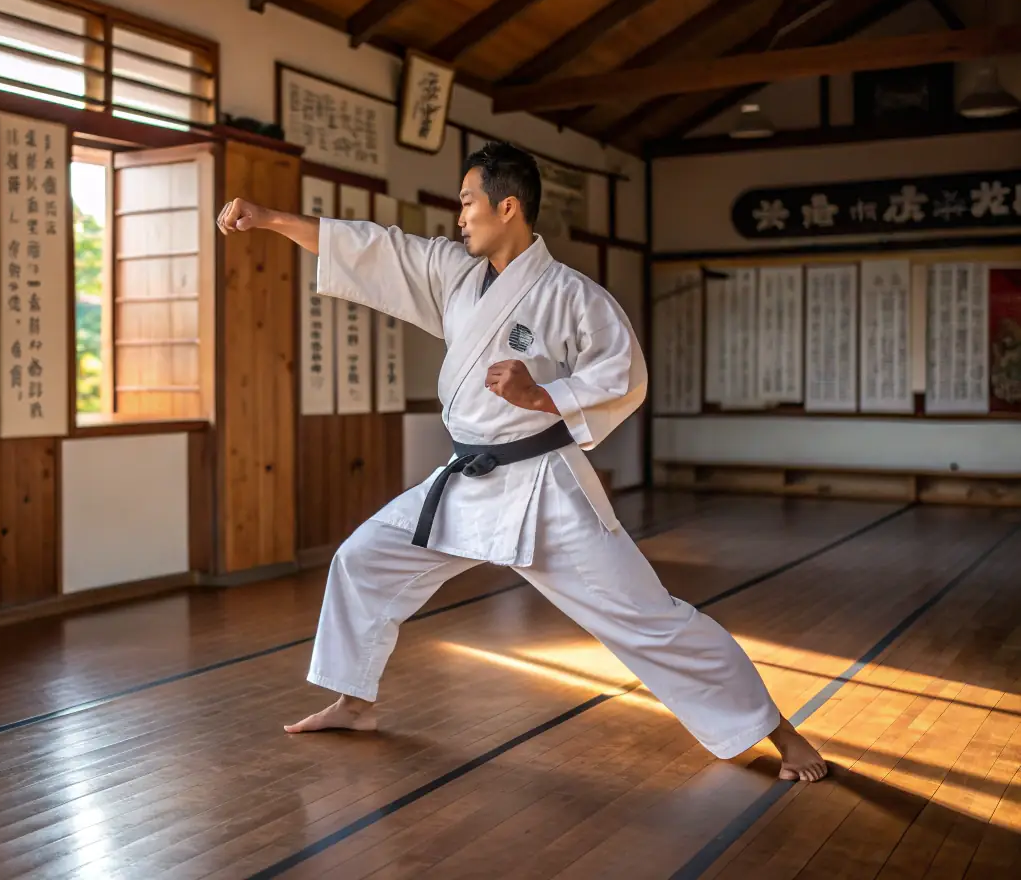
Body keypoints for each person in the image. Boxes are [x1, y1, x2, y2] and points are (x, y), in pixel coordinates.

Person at [216, 140, 827, 783]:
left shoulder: (571, 295)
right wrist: (272, 219)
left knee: (647, 618)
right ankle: (354, 700)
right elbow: (375, 248)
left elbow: (626, 373)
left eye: (467, 202)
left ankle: (780, 735)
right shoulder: (454, 274)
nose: (458, 218)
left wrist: (544, 395)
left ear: (506, 207)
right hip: (465, 481)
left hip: (545, 489)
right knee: (364, 558)